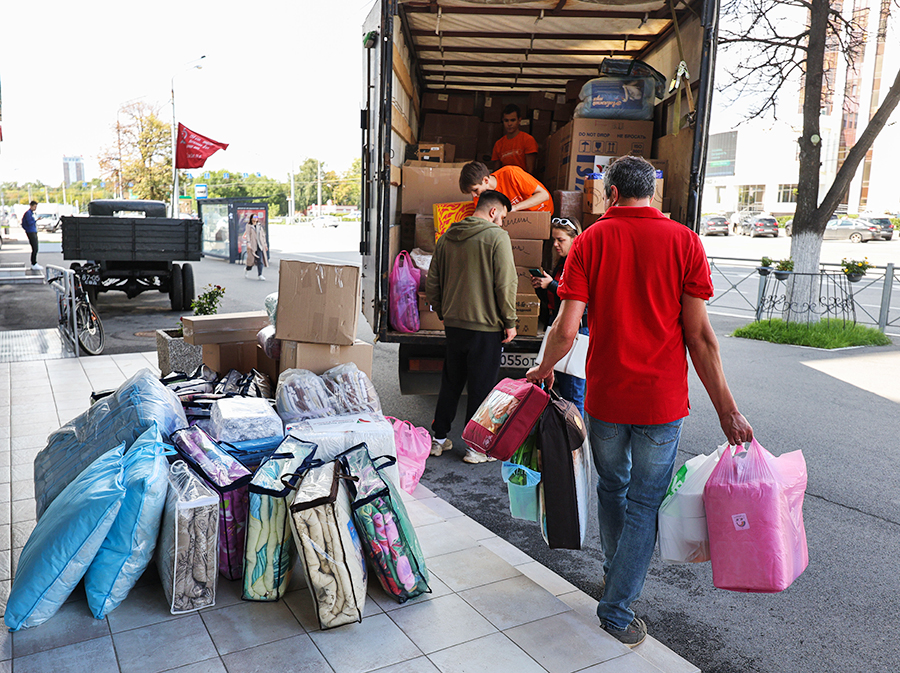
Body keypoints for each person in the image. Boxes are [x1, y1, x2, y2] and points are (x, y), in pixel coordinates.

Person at [526, 156, 753, 648]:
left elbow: (567, 329)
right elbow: (700, 338)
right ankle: (617, 605)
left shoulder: (589, 242)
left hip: (605, 398)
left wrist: (541, 371)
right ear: (653, 194)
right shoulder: (685, 242)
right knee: (644, 503)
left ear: (610, 194)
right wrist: (727, 410)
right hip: (661, 404)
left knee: (612, 489)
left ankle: (615, 574)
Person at [426, 190, 518, 464]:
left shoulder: (447, 237)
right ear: (492, 212)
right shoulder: (496, 237)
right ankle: (475, 448)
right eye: (501, 217)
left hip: (454, 325)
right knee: (481, 388)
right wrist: (510, 321)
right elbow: (506, 284)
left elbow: (433, 281)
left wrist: (444, 311)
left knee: (451, 383)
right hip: (486, 327)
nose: (501, 223)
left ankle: (438, 439)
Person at [531, 217, 589, 417]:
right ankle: (564, 441)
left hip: (576, 332)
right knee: (558, 390)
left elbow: (583, 301)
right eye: (553, 240)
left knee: (573, 393)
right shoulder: (563, 262)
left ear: (575, 239)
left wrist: (552, 285)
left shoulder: (581, 263)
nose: (555, 244)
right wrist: (542, 287)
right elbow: (555, 302)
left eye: (560, 240)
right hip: (557, 328)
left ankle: (576, 444)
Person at [459, 161, 552, 213]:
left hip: (542, 211)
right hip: (520, 219)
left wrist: (514, 208)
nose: (474, 195)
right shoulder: (479, 197)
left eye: (475, 190)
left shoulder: (511, 173)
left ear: (486, 180)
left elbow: (544, 195)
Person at [491, 104, 539, 174]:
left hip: (523, 182)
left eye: (513, 120)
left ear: (519, 121)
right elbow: (496, 172)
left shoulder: (528, 140)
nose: (509, 124)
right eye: (506, 120)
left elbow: (530, 170)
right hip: (505, 182)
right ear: (502, 121)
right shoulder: (498, 144)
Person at [244, 214, 268, 281]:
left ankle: (260, 274)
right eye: (254, 217)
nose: (255, 218)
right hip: (252, 245)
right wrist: (248, 243)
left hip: (260, 245)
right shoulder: (249, 226)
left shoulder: (259, 226)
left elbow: (263, 235)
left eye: (256, 217)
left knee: (260, 260)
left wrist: (265, 244)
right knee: (251, 261)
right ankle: (247, 269)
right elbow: (248, 235)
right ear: (251, 218)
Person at [21, 201, 41, 271]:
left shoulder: (30, 213)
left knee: (35, 248)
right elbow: (28, 222)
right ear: (31, 206)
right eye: (34, 206)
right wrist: (36, 220)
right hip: (31, 231)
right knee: (35, 248)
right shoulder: (28, 214)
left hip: (32, 231)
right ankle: (34, 263)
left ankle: (34, 263)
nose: (35, 208)